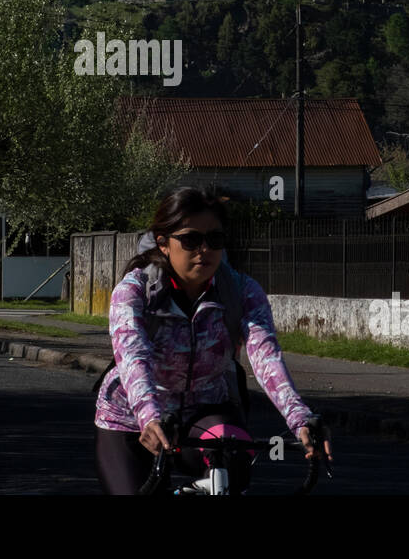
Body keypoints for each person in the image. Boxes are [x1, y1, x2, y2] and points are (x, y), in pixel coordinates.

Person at [94, 186, 332, 494]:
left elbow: (266, 357)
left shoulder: (241, 292)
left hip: (205, 408)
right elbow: (133, 357)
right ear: (164, 244)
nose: (203, 249)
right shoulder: (135, 291)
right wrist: (149, 416)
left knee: (233, 460)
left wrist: (301, 418)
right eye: (191, 239)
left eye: (214, 240)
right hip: (131, 417)